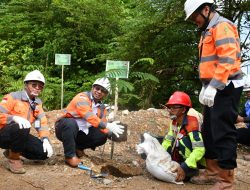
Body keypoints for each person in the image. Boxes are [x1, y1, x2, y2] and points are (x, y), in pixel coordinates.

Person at [184, 0, 244, 189]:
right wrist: (206, 85)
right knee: (209, 129)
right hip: (214, 86)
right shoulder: (208, 30)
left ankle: (226, 179)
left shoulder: (222, 26)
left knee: (223, 130)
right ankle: (212, 171)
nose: (194, 20)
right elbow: (211, 63)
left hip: (226, 86)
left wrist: (214, 86)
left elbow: (227, 58)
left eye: (195, 16)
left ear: (206, 9)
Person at [55, 77, 125, 167]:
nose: (99, 91)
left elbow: (102, 123)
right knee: (71, 123)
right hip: (64, 128)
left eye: (103, 90)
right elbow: (88, 115)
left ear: (106, 94)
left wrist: (111, 133)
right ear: (92, 88)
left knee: (102, 135)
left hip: (80, 132)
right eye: (97, 88)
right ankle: (70, 156)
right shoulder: (82, 98)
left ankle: (78, 148)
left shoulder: (102, 108)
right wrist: (108, 125)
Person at [0, 70, 53, 174]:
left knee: (44, 153)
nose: (37, 88)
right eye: (34, 85)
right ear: (26, 85)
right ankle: (14, 158)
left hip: (20, 135)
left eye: (40, 86)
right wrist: (13, 118)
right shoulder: (12, 97)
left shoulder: (37, 104)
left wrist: (45, 138)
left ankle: (13, 150)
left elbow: (42, 122)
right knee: (23, 126)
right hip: (3, 133)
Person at [162, 91, 205, 182]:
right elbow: (167, 141)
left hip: (195, 162)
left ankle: (194, 170)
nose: (171, 110)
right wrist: (161, 157)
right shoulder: (174, 122)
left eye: (174, 107)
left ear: (184, 110)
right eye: (169, 107)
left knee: (182, 140)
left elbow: (199, 150)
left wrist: (184, 167)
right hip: (183, 159)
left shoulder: (192, 124)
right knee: (168, 141)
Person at [236, 75, 250, 160]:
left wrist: (243, 119)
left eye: (249, 91)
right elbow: (242, 114)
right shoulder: (247, 103)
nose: (247, 93)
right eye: (246, 91)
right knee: (235, 133)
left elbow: (243, 118)